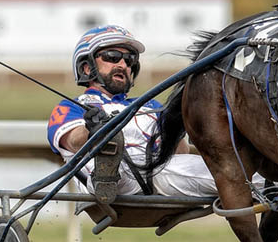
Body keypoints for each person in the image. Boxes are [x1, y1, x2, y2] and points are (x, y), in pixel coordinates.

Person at [47, 25, 220, 198]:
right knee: (110, 163)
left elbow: (180, 155)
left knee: (229, 172)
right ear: (86, 67)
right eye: (112, 57)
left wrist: (177, 127)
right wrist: (94, 130)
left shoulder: (150, 105)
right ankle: (108, 169)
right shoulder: (71, 106)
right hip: (107, 176)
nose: (123, 65)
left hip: (159, 173)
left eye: (129, 59)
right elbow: (74, 142)